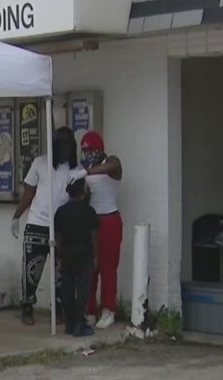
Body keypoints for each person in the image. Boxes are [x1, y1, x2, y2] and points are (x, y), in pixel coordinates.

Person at [11, 126, 86, 326]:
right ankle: (27, 307)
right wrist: (16, 216)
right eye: (60, 146)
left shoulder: (77, 168)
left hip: (63, 226)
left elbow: (79, 197)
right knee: (32, 269)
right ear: (54, 146)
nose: (64, 150)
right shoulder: (40, 163)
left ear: (72, 147)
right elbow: (29, 193)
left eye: (67, 146)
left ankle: (60, 308)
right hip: (38, 222)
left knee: (63, 271)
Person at [79, 130, 123, 329]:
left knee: (108, 267)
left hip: (109, 219)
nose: (89, 155)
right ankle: (89, 310)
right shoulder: (84, 166)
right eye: (85, 151)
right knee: (90, 267)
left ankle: (108, 309)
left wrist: (87, 172)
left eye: (92, 151)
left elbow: (114, 166)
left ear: (100, 149)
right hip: (90, 220)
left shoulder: (110, 162)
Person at [55, 177, 99, 337]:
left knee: (67, 287)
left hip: (67, 253)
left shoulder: (61, 211)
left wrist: (59, 253)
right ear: (83, 192)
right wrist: (96, 256)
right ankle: (80, 323)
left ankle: (69, 323)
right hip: (84, 253)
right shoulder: (89, 211)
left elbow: (58, 235)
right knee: (82, 289)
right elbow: (94, 235)